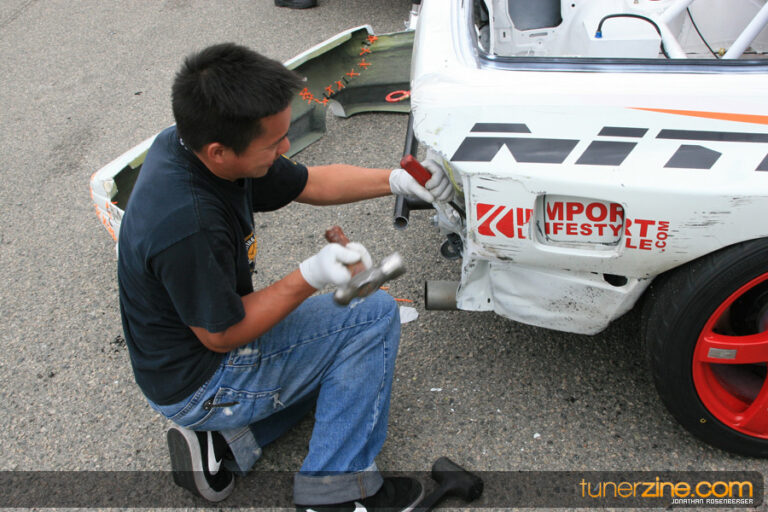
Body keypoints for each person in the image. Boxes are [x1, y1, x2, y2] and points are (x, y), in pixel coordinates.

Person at [116, 42, 453, 510]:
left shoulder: (193, 143)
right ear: (219, 152)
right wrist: (310, 275)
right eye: (273, 143)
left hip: (180, 361)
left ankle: (227, 444)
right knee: (372, 317)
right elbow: (222, 334)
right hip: (201, 378)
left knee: (337, 356)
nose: (285, 148)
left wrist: (396, 180)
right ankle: (335, 493)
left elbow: (308, 182)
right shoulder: (186, 221)